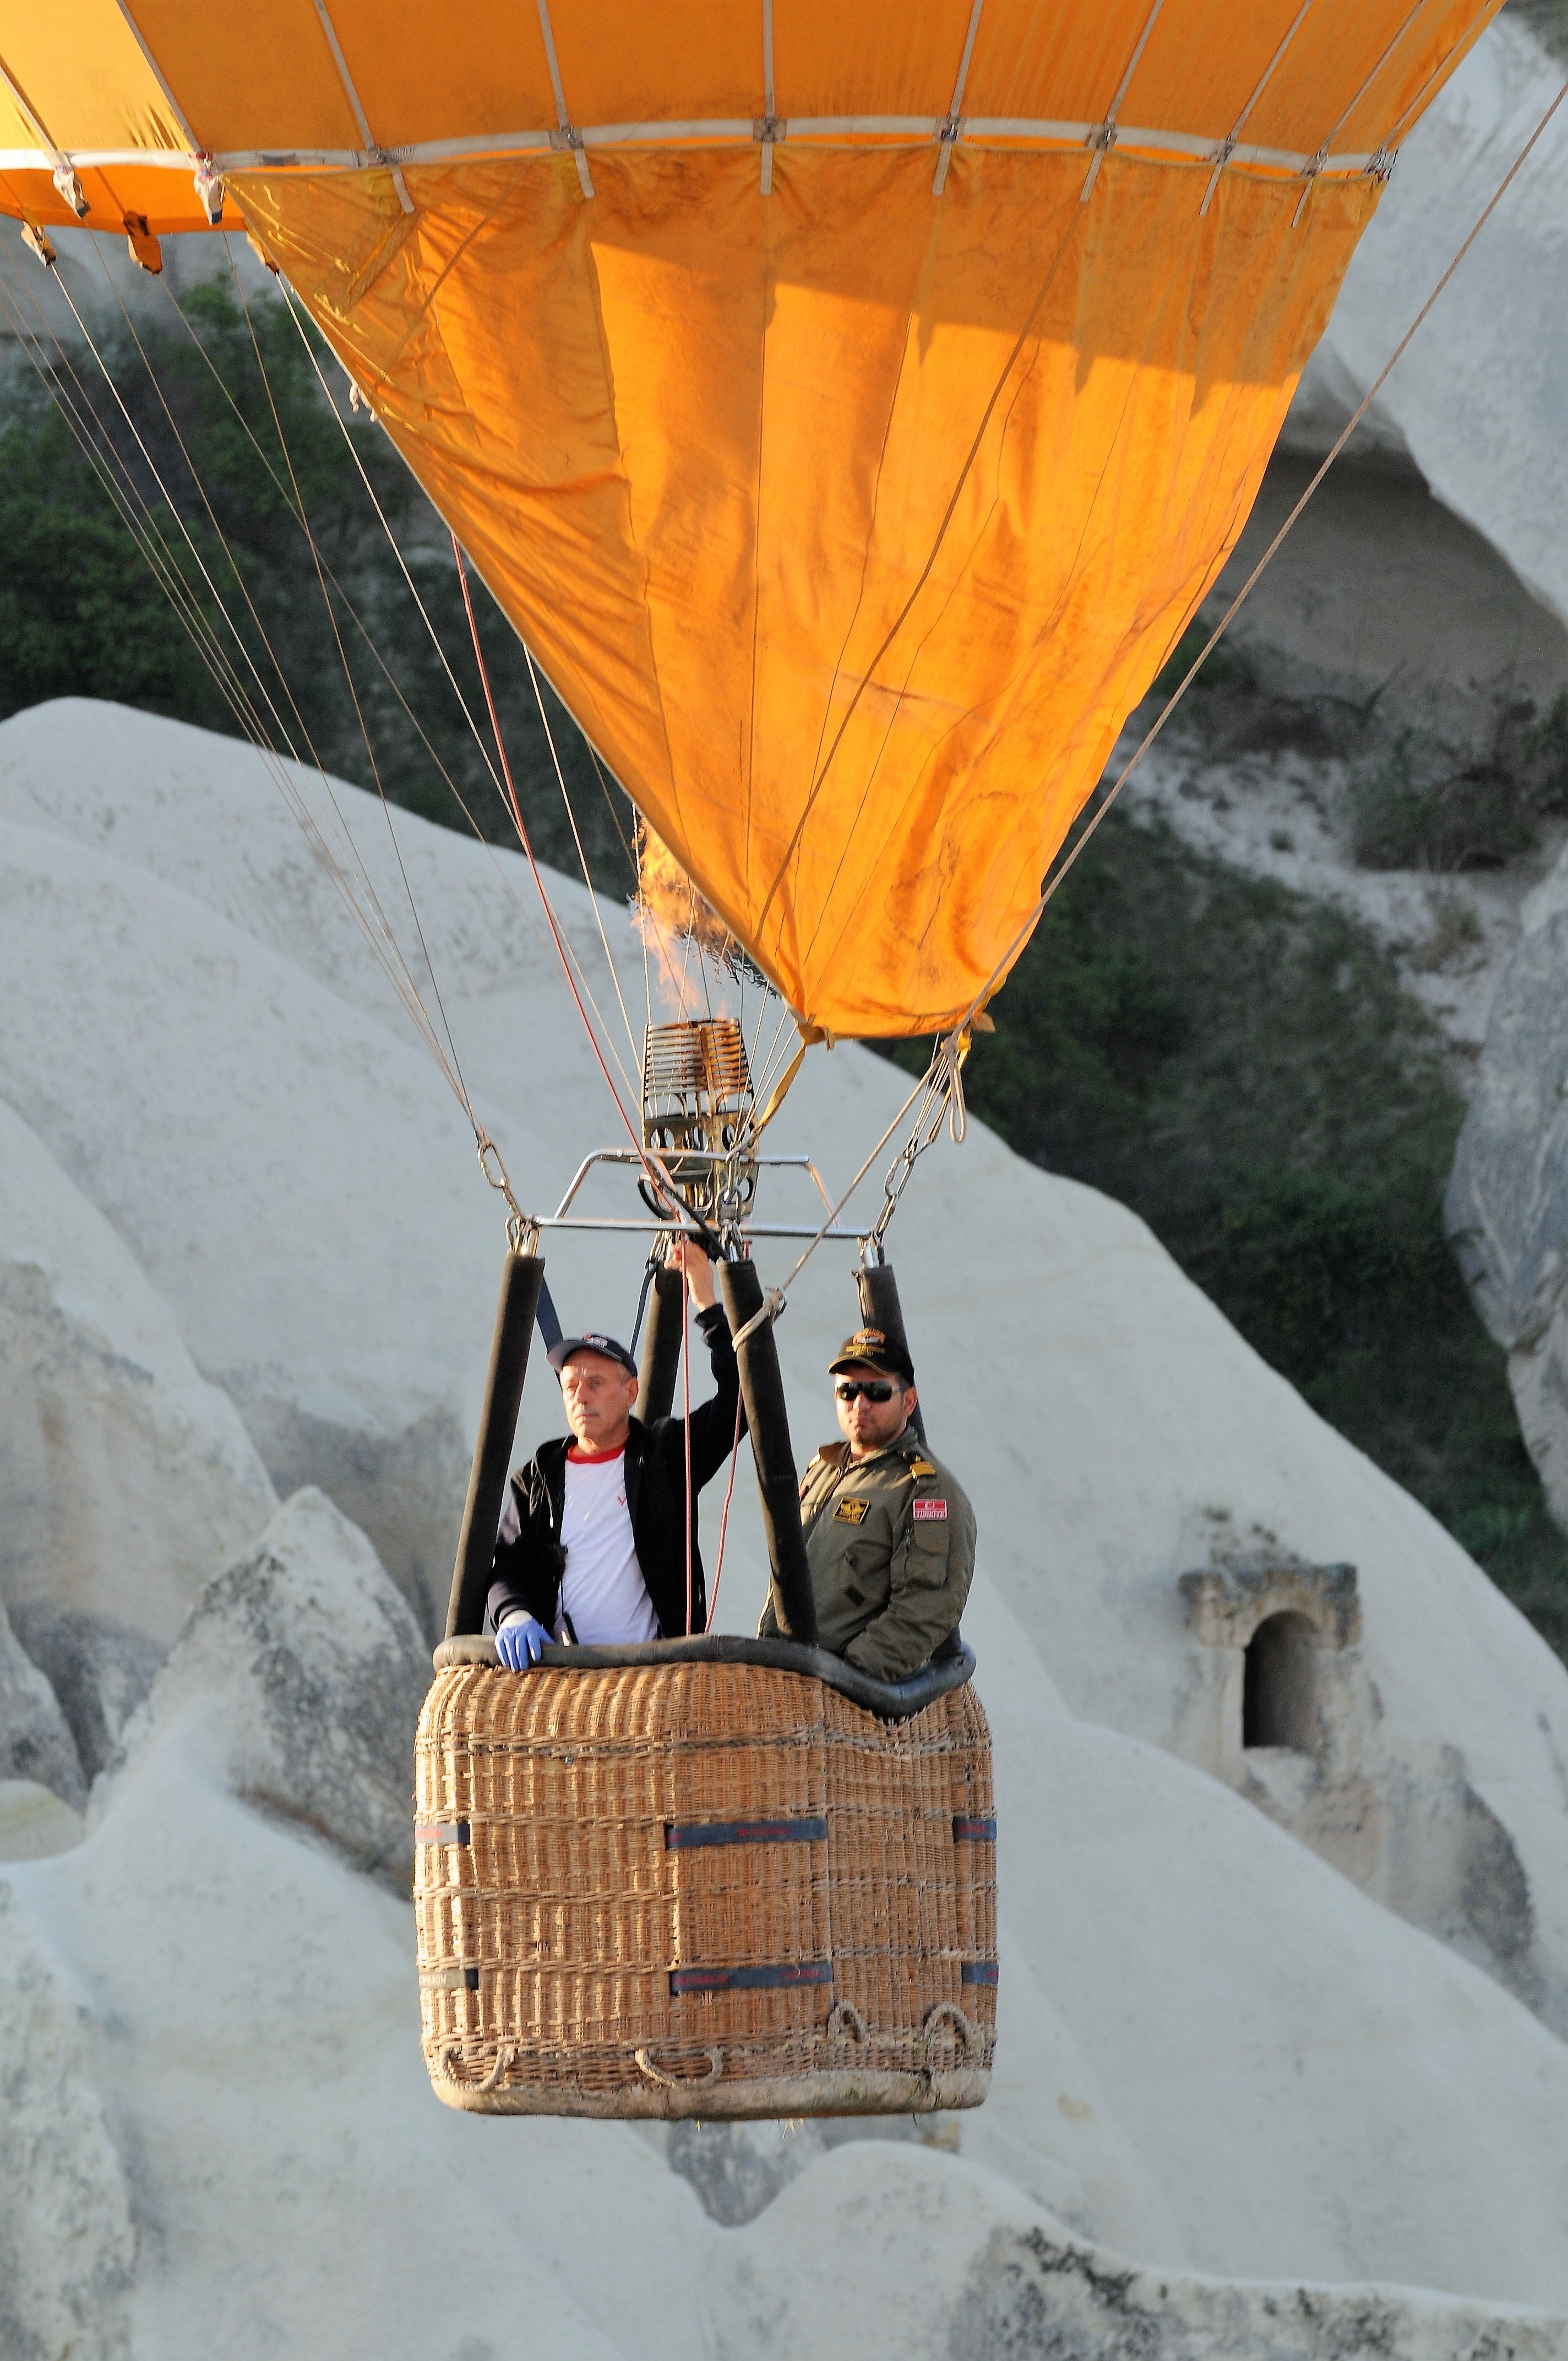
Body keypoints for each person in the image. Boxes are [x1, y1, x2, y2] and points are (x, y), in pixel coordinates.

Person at [488, 1240, 744, 1667]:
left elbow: (741, 1398)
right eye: (571, 1386)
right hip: (563, 1679)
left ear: (631, 1393)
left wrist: (707, 1304)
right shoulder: (537, 1479)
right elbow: (504, 1569)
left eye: (596, 1383)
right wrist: (512, 1614)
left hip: (655, 1680)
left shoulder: (667, 1457)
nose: (580, 1397)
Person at [760, 1324, 975, 1682]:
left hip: (842, 1698)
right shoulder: (823, 1468)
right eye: (848, 1390)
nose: (860, 1404)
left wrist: (851, 1677)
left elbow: (927, 1606)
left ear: (908, 1401)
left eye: (876, 1391)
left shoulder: (923, 1490)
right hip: (783, 1678)